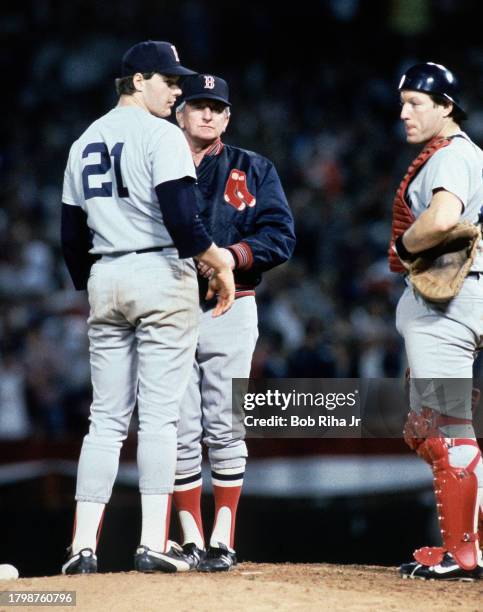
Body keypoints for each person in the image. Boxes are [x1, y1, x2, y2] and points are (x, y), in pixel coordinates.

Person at [60, 41, 235, 575]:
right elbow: (184, 223)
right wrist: (220, 264)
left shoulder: (83, 140)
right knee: (159, 417)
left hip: (105, 274)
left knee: (105, 420)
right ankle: (152, 542)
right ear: (138, 80)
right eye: (169, 81)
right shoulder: (162, 135)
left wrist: (98, 285)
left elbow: (71, 238)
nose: (178, 90)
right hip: (160, 271)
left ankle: (81, 548)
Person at [172, 74, 295, 571]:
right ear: (180, 111)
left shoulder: (253, 167)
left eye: (216, 108)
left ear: (227, 117)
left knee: (224, 423)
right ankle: (188, 537)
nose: (207, 115)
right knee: (177, 427)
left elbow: (281, 236)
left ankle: (223, 536)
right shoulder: (156, 162)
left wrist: (231, 255)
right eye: (198, 105)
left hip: (233, 303)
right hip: (169, 307)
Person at [389, 62, 483, 580]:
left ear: (446, 106)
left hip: (449, 305)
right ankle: (475, 546)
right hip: (463, 297)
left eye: (416, 103)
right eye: (402, 103)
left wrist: (405, 247)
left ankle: (463, 553)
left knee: (445, 432)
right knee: (432, 427)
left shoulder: (451, 155)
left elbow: (444, 216)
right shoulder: (465, 155)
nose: (404, 113)